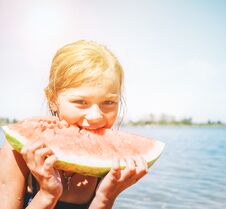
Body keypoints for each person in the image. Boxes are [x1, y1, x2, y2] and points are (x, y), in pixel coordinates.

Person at [0, 40, 148, 209]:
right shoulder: (17, 152)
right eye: (81, 101)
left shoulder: (109, 162)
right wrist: (47, 195)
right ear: (53, 100)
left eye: (108, 102)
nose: (95, 116)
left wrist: (105, 198)